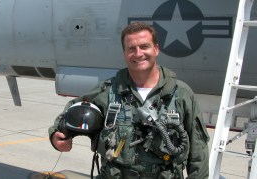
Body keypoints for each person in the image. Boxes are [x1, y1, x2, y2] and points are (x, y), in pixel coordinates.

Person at [48, 22, 210, 178]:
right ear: (124, 53)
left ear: (156, 49)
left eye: (144, 46)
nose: (138, 54)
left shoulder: (180, 93)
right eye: (131, 48)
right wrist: (57, 134)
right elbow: (75, 108)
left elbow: (198, 152)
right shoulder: (108, 90)